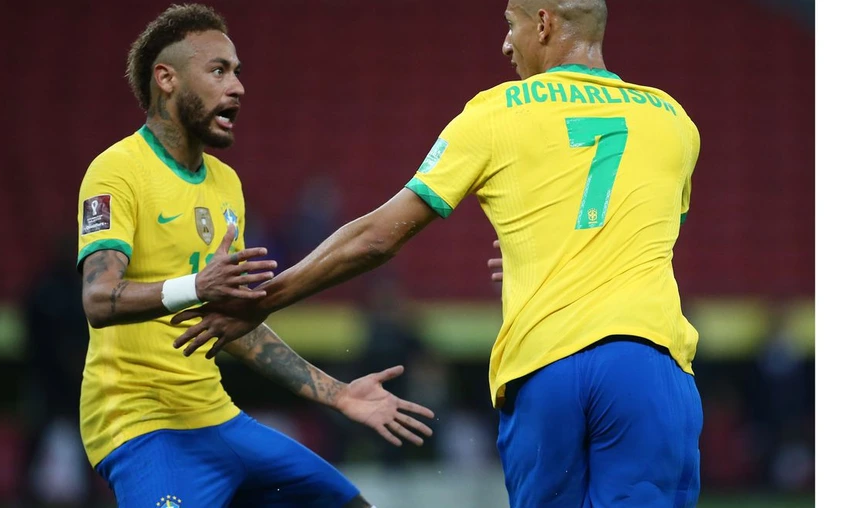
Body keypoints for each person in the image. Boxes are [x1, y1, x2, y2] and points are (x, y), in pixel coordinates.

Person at [173, 0, 704, 506]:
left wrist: (267, 297)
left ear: (543, 23)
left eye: (510, 23)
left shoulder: (494, 112)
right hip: (647, 360)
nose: (505, 44)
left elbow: (380, 235)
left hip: (546, 364)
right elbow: (639, 235)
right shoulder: (675, 121)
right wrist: (545, 252)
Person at [75, 5, 433, 507]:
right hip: (141, 424)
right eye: (219, 70)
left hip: (216, 416)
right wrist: (197, 287)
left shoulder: (226, 185)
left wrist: (339, 394)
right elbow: (97, 298)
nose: (238, 86)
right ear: (167, 79)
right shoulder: (116, 171)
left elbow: (235, 324)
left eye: (238, 72)